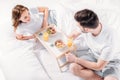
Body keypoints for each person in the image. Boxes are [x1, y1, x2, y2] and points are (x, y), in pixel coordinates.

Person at [65, 9, 120, 80]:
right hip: (93, 55)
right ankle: (99, 78)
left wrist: (75, 59)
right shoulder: (92, 24)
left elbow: (99, 66)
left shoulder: (109, 41)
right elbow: (74, 34)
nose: (77, 27)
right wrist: (66, 42)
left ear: (87, 29)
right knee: (73, 68)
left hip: (111, 62)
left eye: (79, 26)